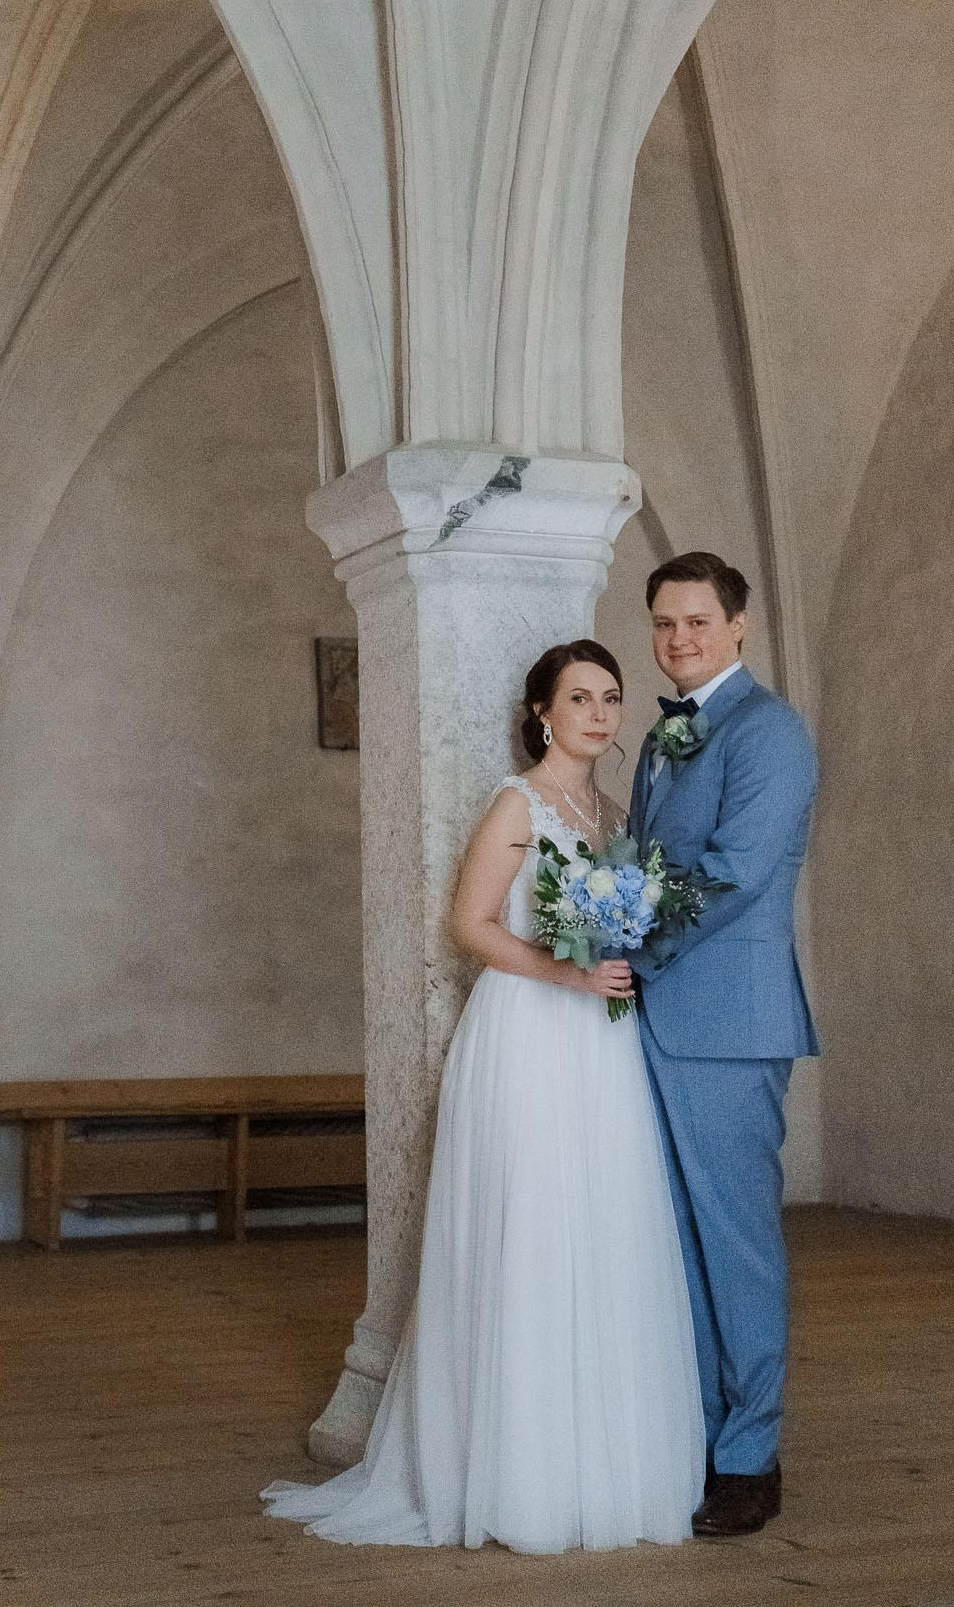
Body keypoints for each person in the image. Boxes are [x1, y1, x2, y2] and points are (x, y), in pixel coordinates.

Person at [264, 640, 704, 1553]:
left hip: (602, 1043)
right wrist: (566, 972)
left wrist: (624, 951)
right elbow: (468, 925)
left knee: (604, 1227)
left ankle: (599, 1472)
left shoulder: (615, 815)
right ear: (541, 712)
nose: (597, 713)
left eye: (610, 697)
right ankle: (512, 1477)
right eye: (577, 697)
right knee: (529, 1227)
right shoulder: (518, 803)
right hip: (529, 1032)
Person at [629, 551, 819, 1539]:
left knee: (736, 1243)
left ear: (738, 624)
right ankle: (701, 1439)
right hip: (655, 1020)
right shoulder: (660, 736)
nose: (679, 639)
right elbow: (643, 863)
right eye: (664, 623)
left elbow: (737, 871)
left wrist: (627, 946)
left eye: (697, 621)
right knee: (676, 1244)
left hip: (730, 1024)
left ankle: (751, 1457)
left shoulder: (769, 729)